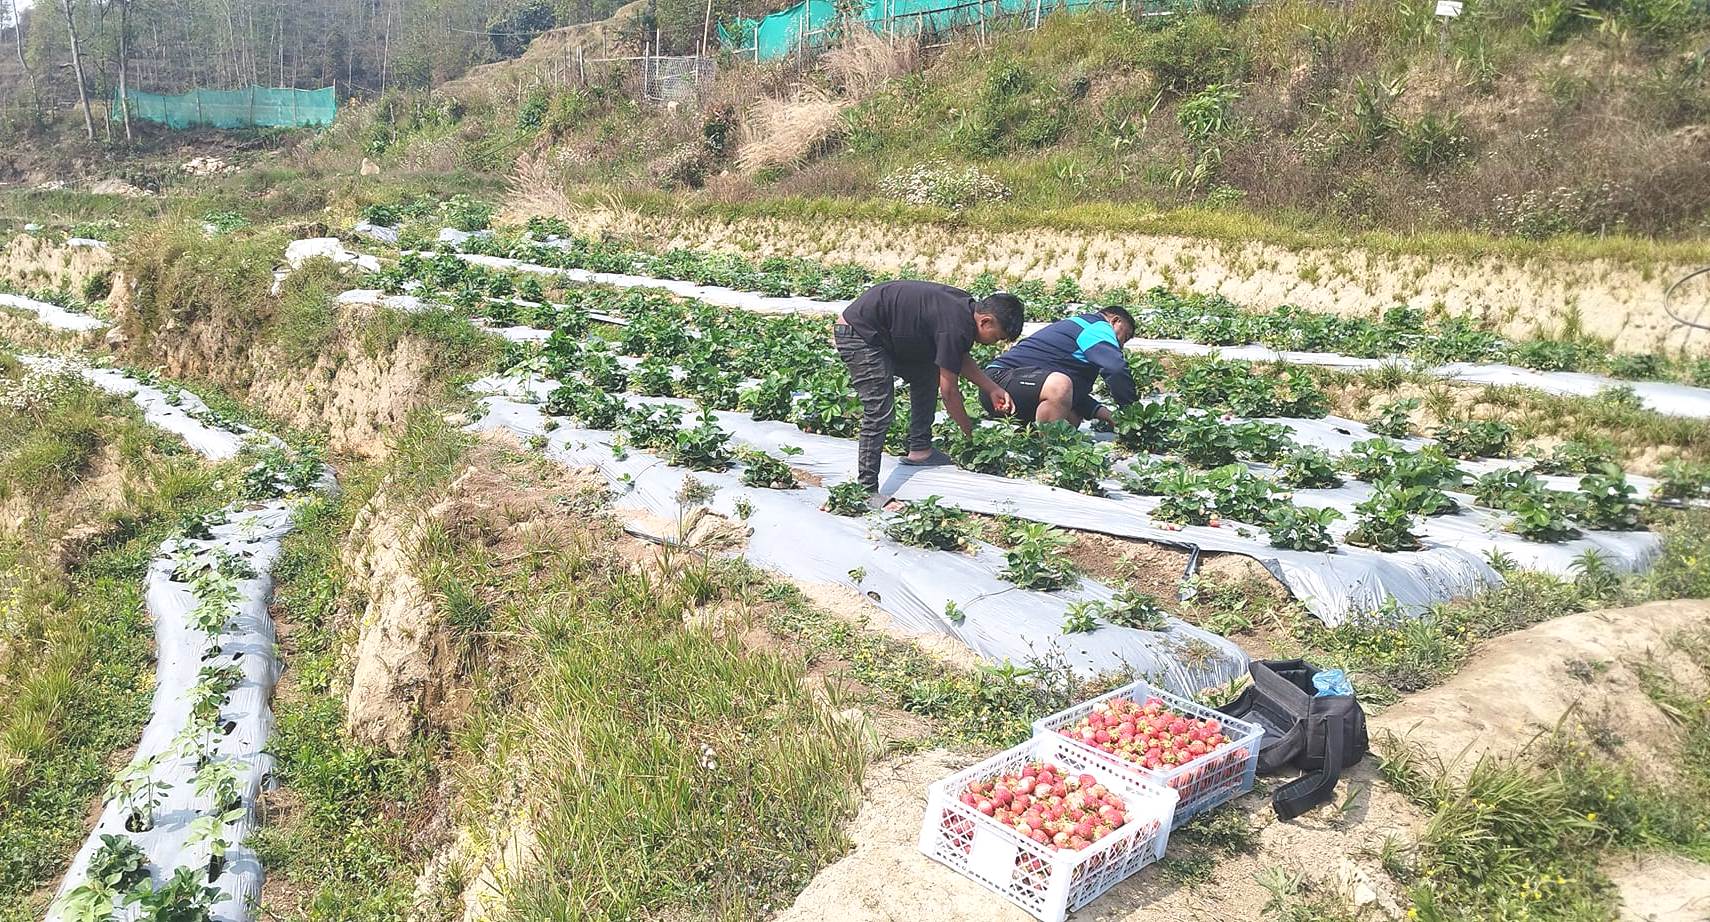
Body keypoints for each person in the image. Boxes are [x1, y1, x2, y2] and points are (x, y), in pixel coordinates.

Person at [835, 281, 1025, 492]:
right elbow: (949, 392)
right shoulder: (956, 325)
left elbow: (957, 355)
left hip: (883, 333)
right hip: (859, 334)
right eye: (997, 337)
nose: (995, 343)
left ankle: (920, 449)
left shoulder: (963, 310)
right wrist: (971, 435)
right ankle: (866, 490)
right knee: (878, 410)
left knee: (926, 373)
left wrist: (992, 388)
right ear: (986, 321)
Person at [980, 306, 1139, 426]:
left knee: (1072, 417)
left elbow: (1076, 395)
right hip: (997, 384)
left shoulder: (1081, 336)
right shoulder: (1097, 326)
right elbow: (1115, 369)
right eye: (1123, 336)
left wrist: (1107, 415)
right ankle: (1048, 450)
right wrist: (1132, 412)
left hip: (1014, 389)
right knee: (1060, 385)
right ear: (1115, 321)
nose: (1120, 344)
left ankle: (1030, 439)